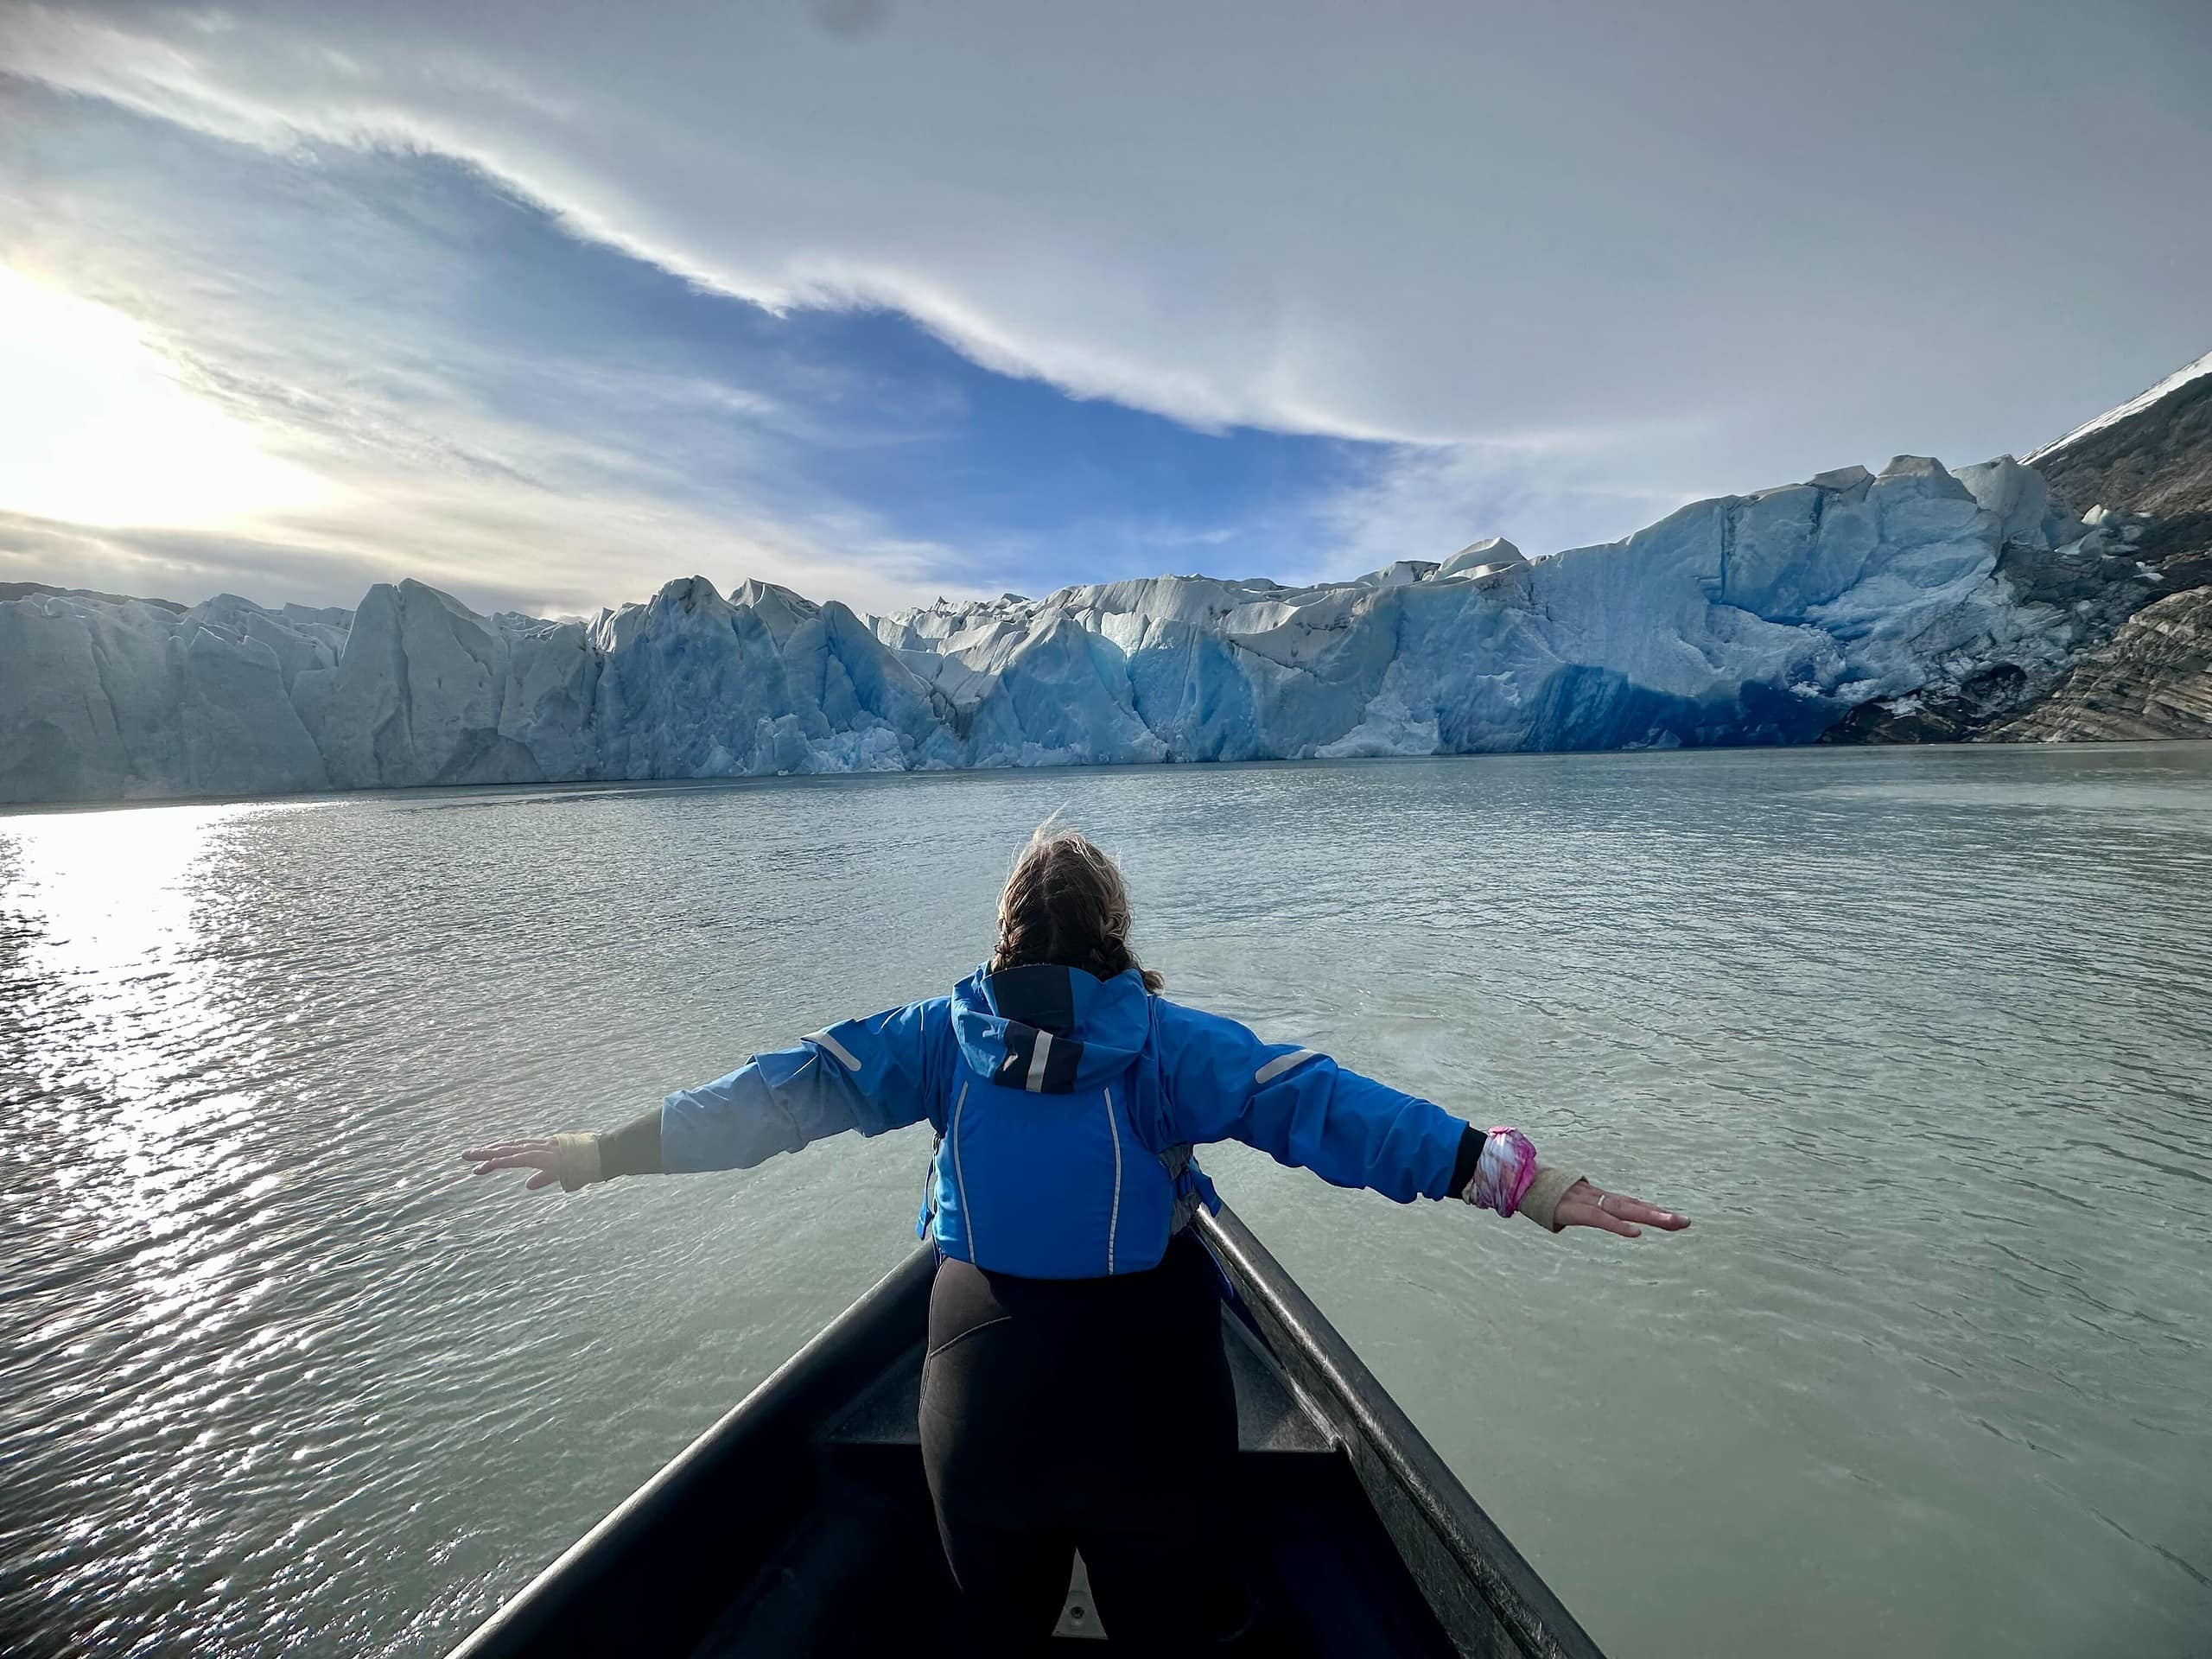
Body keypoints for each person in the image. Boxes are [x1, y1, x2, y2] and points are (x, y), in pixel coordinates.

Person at [461, 823, 1688, 1651]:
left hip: (979, 1386)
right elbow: (1333, 1107)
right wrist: (1513, 1178)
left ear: (1003, 932)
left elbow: (773, 1097)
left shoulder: (933, 1039)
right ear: (1115, 933)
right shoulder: (1172, 1043)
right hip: (1149, 1395)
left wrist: (601, 1152)